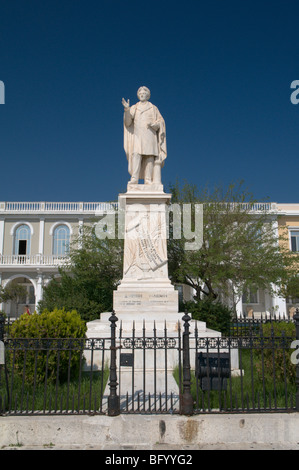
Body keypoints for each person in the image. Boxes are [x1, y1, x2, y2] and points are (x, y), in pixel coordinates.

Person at [122, 86, 167, 185]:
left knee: (150, 156)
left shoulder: (153, 108)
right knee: (136, 155)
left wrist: (156, 124)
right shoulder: (134, 107)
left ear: (148, 95)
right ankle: (134, 178)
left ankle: (148, 179)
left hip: (150, 135)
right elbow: (128, 123)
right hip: (138, 136)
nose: (142, 95)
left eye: (144, 93)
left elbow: (161, 122)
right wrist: (127, 110)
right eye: (140, 93)